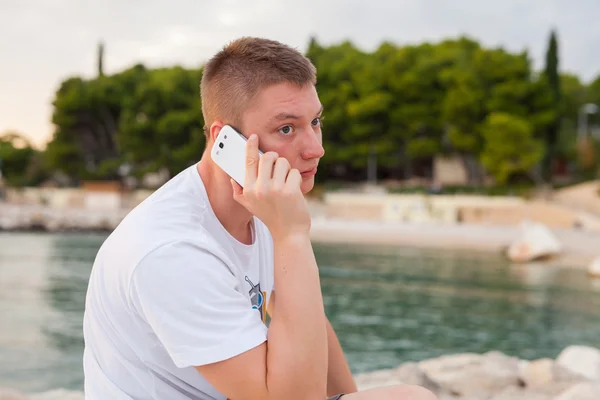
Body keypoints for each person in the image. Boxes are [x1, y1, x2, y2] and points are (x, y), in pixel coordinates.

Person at [82, 37, 437, 400]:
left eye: (315, 121)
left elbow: (310, 325)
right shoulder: (171, 249)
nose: (316, 148)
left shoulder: (265, 204)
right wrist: (292, 236)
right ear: (225, 141)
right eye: (287, 129)